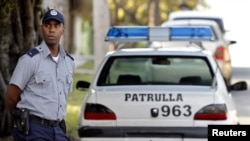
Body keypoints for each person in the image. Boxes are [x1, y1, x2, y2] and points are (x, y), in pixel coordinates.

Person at [5, 9, 75, 141]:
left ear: (63, 30)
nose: (52, 30)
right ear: (41, 28)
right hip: (34, 130)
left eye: (56, 26)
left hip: (58, 129)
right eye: (48, 25)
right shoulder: (30, 59)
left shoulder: (69, 62)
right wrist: (22, 120)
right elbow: (11, 97)